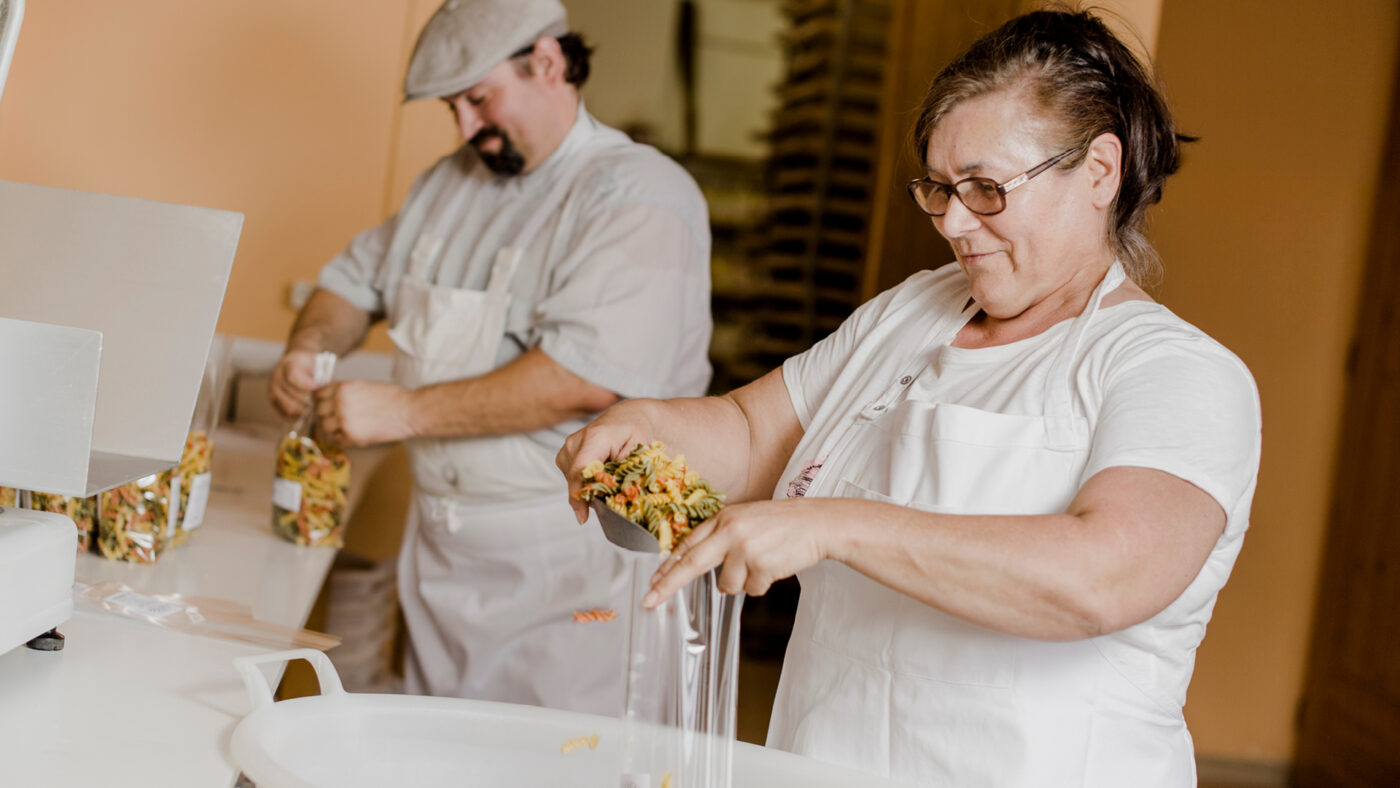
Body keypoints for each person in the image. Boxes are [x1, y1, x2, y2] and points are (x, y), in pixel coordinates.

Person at [558, 9, 1260, 785]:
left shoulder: (1176, 372)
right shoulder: (913, 310)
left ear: (1099, 171)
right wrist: (643, 426)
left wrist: (831, 526)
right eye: (940, 187)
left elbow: (1106, 577)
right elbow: (753, 435)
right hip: (825, 762)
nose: (955, 222)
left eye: (988, 189)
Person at [269, 0, 712, 716]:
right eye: (454, 107)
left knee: (567, 763)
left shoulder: (640, 194)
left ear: (548, 62)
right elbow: (348, 285)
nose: (466, 127)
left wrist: (402, 411)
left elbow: (583, 378)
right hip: (450, 554)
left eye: (478, 98)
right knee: (446, 752)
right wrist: (309, 345)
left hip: (586, 561)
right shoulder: (447, 186)